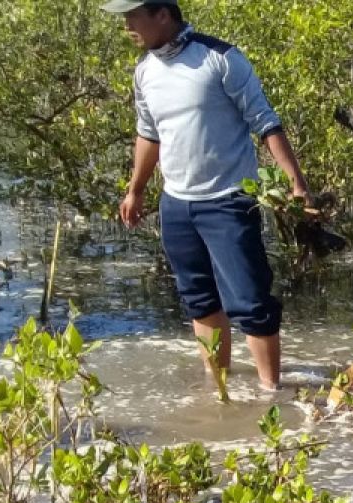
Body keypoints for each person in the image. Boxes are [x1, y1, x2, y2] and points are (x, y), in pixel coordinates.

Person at [104, 0, 311, 390]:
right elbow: (149, 134)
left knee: (251, 303)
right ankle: (219, 393)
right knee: (199, 300)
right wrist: (136, 190)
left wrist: (297, 183)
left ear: (162, 15)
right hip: (177, 205)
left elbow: (266, 122)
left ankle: (271, 396)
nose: (127, 26)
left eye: (133, 17)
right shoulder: (144, 71)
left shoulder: (221, 58)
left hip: (229, 201)